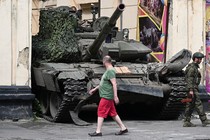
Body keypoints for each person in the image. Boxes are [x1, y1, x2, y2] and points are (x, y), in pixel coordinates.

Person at [88, 55, 128, 136]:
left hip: (107, 96)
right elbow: (104, 82)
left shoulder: (110, 71)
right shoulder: (108, 70)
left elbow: (114, 84)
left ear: (105, 62)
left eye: (103, 61)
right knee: (113, 113)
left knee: (100, 111)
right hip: (106, 95)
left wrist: (115, 96)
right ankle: (123, 128)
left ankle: (98, 131)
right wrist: (95, 89)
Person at [183, 52, 210, 127]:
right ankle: (204, 120)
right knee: (198, 104)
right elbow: (190, 79)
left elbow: (197, 77)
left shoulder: (194, 67)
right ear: (195, 59)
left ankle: (186, 121)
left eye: (201, 59)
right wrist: (191, 89)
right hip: (192, 89)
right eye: (199, 59)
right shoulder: (192, 68)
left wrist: (196, 84)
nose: (200, 60)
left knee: (190, 105)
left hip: (192, 88)